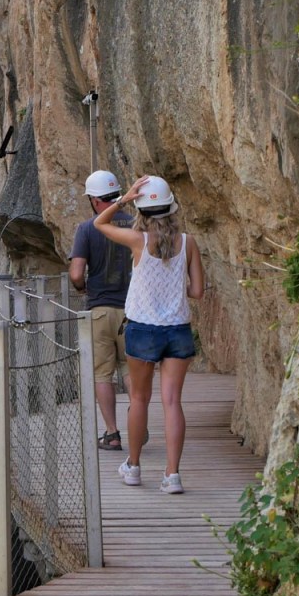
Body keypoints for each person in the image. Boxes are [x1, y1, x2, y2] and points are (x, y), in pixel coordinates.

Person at [93, 175, 204, 495]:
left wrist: (123, 199)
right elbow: (197, 291)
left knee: (139, 399)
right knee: (172, 402)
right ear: (171, 208)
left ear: (142, 209)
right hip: (178, 330)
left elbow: (100, 223)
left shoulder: (137, 239)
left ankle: (134, 465)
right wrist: (173, 288)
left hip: (142, 328)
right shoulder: (189, 242)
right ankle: (172, 475)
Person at [69, 170, 133, 451]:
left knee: (102, 373)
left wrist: (83, 288)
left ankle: (112, 433)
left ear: (95, 200)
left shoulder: (86, 229)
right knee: (131, 370)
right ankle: (138, 424)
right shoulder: (136, 225)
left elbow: (75, 274)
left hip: (99, 310)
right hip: (133, 310)